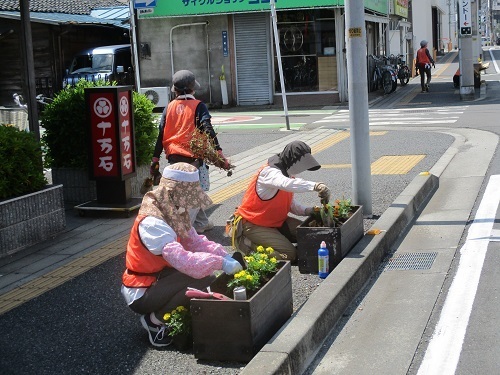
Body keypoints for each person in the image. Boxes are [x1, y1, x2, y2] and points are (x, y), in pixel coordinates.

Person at [121, 163, 242, 347]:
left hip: (160, 279)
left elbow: (195, 241)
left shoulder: (171, 210)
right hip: (141, 291)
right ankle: (154, 321)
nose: (189, 204)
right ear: (174, 193)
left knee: (204, 276)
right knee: (202, 277)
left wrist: (224, 255)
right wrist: (220, 263)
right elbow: (185, 261)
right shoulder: (153, 222)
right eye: (188, 197)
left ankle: (167, 312)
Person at [150, 69, 230, 234]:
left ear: (175, 90)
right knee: (193, 195)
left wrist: (155, 158)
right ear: (193, 89)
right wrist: (219, 152)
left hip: (173, 160)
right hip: (192, 161)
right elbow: (207, 128)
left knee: (193, 191)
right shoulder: (198, 106)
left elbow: (161, 134)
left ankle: (202, 222)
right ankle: (185, 231)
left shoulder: (169, 107)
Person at [231, 141, 330, 263]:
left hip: (274, 222)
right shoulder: (270, 173)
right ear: (292, 160)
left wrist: (310, 211)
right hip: (253, 224)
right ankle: (248, 246)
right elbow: (286, 184)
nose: (301, 169)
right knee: (289, 254)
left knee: (309, 235)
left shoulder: (288, 173)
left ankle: (276, 240)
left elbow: (290, 205)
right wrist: (316, 186)